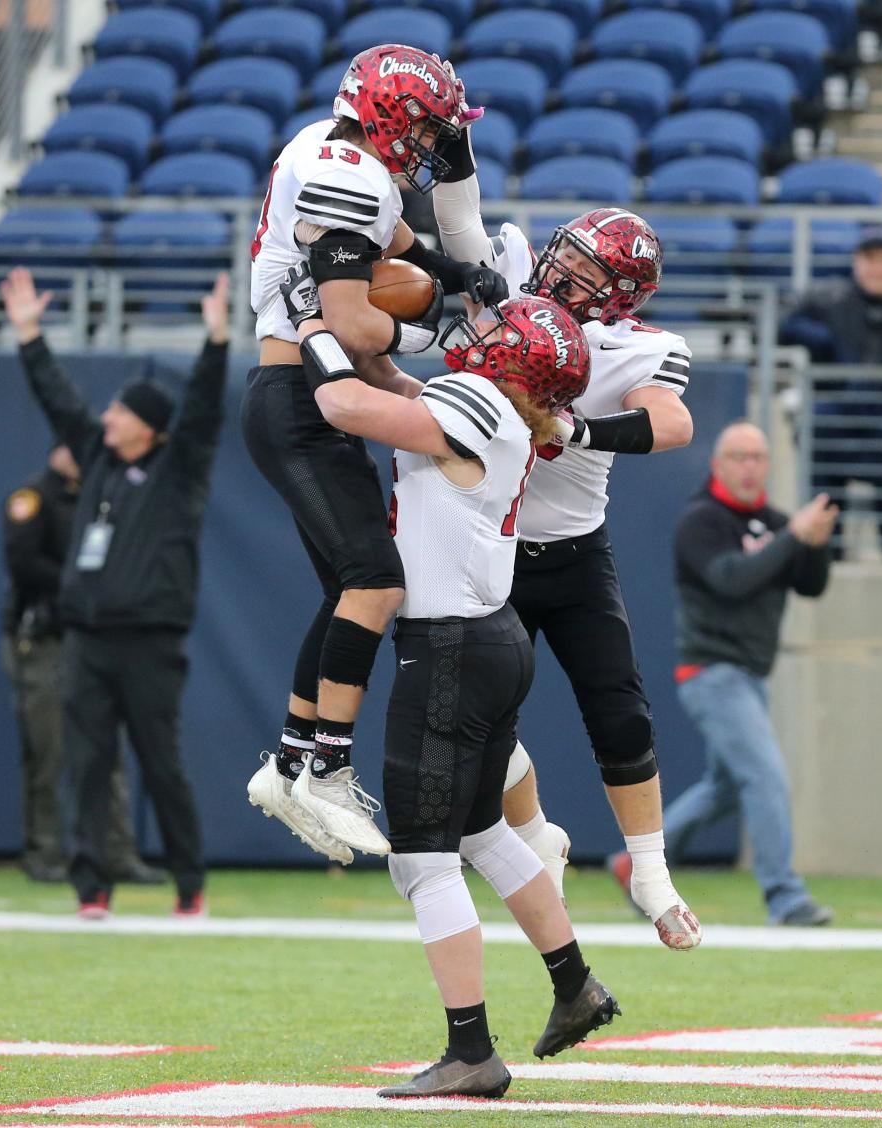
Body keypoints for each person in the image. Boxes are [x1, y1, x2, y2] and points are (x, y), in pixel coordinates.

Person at [282, 273, 620, 1097]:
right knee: (481, 837)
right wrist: (361, 346)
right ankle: (574, 984)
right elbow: (398, 392)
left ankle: (470, 1051)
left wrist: (310, 327)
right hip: (489, 643)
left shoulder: (480, 408)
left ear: (510, 355)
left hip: (450, 652)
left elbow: (347, 409)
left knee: (425, 863)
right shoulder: (504, 412)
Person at [430, 122, 702, 947]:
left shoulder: (639, 348)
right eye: (567, 254)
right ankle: (540, 831)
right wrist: (454, 149)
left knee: (617, 708)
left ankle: (650, 871)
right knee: (483, 720)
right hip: (491, 541)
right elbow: (461, 227)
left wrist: (574, 432)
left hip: (576, 548)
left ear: (620, 295)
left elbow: (675, 424)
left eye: (587, 271)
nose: (560, 272)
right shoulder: (511, 278)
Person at [243, 44, 507, 861]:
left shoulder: (329, 148)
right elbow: (355, 323)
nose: (430, 142)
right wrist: (440, 326)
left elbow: (397, 245)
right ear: (390, 113)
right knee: (377, 582)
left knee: (345, 590)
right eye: (425, 124)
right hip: (303, 396)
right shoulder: (347, 173)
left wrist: (460, 273)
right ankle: (324, 768)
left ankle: (289, 759)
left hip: (303, 392)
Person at [0, 266, 230, 919]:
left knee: (161, 764)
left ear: (149, 427)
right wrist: (28, 335)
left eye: (120, 411)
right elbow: (59, 400)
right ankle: (90, 887)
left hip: (151, 642)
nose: (106, 417)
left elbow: (206, 412)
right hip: (86, 640)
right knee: (87, 764)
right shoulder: (96, 459)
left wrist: (216, 344)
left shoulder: (177, 470)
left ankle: (189, 885)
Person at [655, 421, 837, 926]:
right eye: (739, 456)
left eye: (758, 456)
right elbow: (731, 580)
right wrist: (792, 538)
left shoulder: (777, 523)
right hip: (712, 672)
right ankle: (785, 896)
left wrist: (814, 544)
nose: (750, 466)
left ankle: (637, 865)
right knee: (766, 776)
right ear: (719, 464)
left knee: (727, 788)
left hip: (753, 676)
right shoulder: (701, 521)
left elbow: (811, 585)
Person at [1, 443, 164, 886]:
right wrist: (82, 580)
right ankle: (44, 852)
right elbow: (23, 564)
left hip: (93, 639)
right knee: (49, 748)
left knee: (107, 750)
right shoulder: (33, 498)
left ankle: (116, 853)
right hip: (45, 639)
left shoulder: (101, 497)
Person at [779, 221, 882, 559]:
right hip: (837, 427)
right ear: (857, 261)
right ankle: (826, 555)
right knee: (826, 522)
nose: (878, 268)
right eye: (871, 258)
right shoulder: (830, 299)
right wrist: (823, 342)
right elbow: (782, 321)